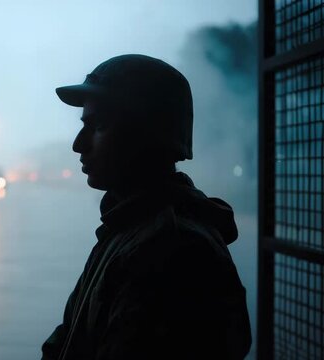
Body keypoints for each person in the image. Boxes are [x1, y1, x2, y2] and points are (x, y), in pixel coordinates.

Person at [42, 54, 251, 359]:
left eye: (98, 126)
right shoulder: (127, 227)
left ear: (145, 133)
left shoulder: (175, 251)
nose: (78, 143)